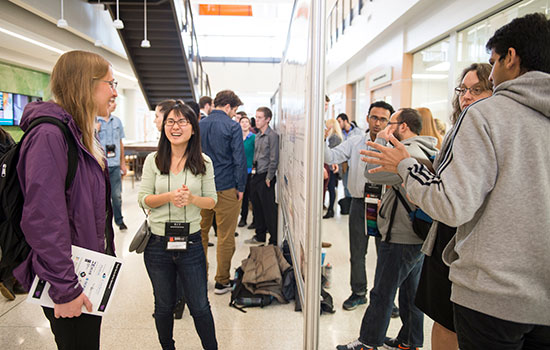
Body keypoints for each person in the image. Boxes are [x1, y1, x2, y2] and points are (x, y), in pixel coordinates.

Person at [361, 13, 550, 349]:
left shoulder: (486, 116)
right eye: (465, 89)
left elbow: (451, 204)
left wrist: (406, 164)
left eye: (493, 65)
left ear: (511, 57)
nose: (491, 77)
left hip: (491, 293)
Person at [13, 50, 116, 350]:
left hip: (86, 273)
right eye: (110, 83)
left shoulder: (80, 134)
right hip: (67, 280)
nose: (113, 92)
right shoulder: (49, 135)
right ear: (86, 84)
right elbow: (44, 219)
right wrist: (65, 288)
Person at [414, 63, 493, 350]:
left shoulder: (488, 131)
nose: (466, 96)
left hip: (467, 240)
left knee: (453, 321)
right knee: (442, 317)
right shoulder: (455, 130)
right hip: (446, 234)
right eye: (463, 89)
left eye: (477, 89)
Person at [138, 101, 218, 350]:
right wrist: (169, 197)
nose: (176, 126)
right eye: (170, 121)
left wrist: (192, 199)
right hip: (157, 245)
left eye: (183, 121)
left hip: (191, 243)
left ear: (193, 128)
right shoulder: (153, 160)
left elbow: (212, 201)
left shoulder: (203, 162)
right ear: (163, 127)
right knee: (163, 305)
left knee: (199, 306)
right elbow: (143, 198)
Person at [324, 101, 394, 311]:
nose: (378, 123)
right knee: (357, 252)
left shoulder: (394, 147)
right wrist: (323, 136)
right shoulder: (355, 142)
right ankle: (358, 292)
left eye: (383, 119)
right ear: (367, 118)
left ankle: (385, 297)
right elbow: (331, 156)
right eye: (374, 117)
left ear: (389, 121)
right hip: (359, 203)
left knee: (385, 253)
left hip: (385, 205)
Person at [199, 90, 247, 295]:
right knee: (225, 236)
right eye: (234, 110)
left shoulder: (198, 125)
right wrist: (242, 187)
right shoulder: (233, 126)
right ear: (228, 107)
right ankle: (222, 281)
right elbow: (239, 159)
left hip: (201, 189)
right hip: (227, 187)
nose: (234, 114)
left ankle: (200, 280)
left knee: (200, 234)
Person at [153, 99, 190, 319]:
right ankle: (168, 302)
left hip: (180, 224)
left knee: (179, 261)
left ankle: (177, 300)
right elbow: (145, 196)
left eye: (159, 116)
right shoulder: (155, 156)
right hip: (160, 224)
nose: (156, 121)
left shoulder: (186, 151)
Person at [245, 107, 279, 246]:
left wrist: (269, 177)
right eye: (256, 117)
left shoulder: (272, 136)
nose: (256, 120)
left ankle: (273, 239)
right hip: (256, 175)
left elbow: (274, 159)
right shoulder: (258, 135)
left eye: (259, 118)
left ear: (267, 119)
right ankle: (260, 235)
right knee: (257, 208)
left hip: (266, 177)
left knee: (269, 209)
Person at [0, 128, 26, 301]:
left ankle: (13, 279)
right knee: (11, 237)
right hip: (7, 197)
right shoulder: (6, 138)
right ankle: (10, 279)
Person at [96, 99, 128, 230]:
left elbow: (120, 144)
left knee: (116, 195)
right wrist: (94, 131)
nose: (115, 104)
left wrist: (123, 163)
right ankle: (102, 223)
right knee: (101, 196)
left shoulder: (117, 122)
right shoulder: (94, 121)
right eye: (112, 101)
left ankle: (119, 221)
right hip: (99, 165)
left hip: (114, 165)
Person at [336, 113, 362, 214]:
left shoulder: (358, 132)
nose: (338, 124)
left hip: (356, 164)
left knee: (355, 184)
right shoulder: (339, 133)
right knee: (346, 185)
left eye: (339, 121)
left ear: (345, 121)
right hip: (344, 164)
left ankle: (353, 206)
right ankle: (348, 206)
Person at [238, 115, 256, 228]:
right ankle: (243, 218)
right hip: (240, 171)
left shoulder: (254, 137)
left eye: (246, 122)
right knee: (243, 196)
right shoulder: (237, 137)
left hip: (252, 171)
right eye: (242, 122)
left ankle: (255, 220)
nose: (244, 124)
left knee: (253, 197)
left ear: (249, 124)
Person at [322, 118, 343, 219]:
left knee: (331, 188)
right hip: (332, 166)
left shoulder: (334, 138)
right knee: (331, 189)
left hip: (332, 167)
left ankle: (331, 210)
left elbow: (331, 154)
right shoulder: (335, 137)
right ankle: (330, 209)